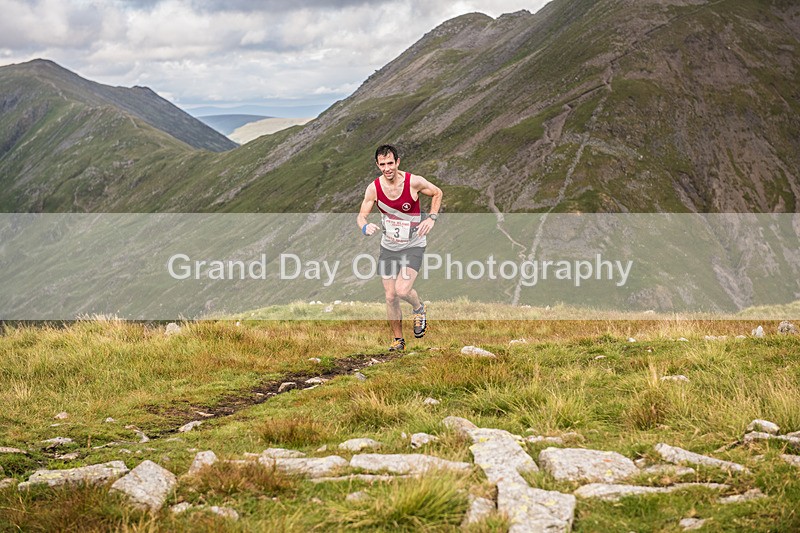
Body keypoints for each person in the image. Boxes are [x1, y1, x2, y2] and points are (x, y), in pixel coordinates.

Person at [357, 144, 442, 352]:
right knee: (390, 296)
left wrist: (431, 218)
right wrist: (365, 227)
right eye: (383, 164)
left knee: (402, 290)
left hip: (413, 243)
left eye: (390, 163)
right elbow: (361, 216)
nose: (387, 168)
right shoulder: (374, 189)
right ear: (377, 165)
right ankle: (398, 340)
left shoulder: (413, 182)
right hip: (389, 246)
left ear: (398, 162)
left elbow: (437, 193)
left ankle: (418, 309)